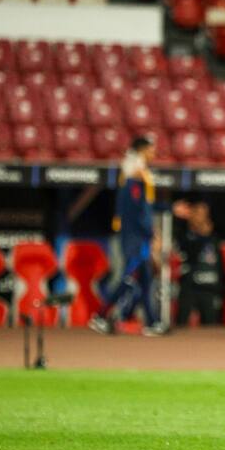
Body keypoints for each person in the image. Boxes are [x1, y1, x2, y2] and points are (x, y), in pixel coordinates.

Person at [88, 136, 166, 337]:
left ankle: (152, 322)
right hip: (135, 238)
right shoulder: (133, 176)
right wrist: (151, 234)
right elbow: (137, 213)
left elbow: (145, 207)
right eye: (150, 150)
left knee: (146, 279)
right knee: (129, 278)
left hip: (138, 236)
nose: (153, 154)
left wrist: (170, 209)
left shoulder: (136, 177)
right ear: (141, 151)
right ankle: (101, 315)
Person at [172, 196, 225, 326]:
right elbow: (189, 254)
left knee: (211, 326)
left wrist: (221, 290)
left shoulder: (213, 238)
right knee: (182, 323)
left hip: (210, 288)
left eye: (205, 214)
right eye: (198, 214)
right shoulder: (186, 236)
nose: (202, 218)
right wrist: (202, 236)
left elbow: (220, 266)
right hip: (190, 286)